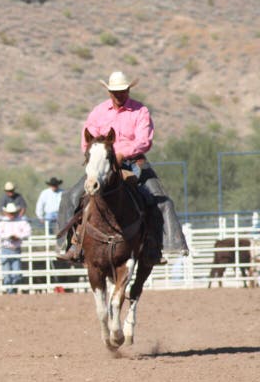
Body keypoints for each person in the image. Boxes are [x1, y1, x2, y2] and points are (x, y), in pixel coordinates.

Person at [57, 71, 189, 263]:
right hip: (103, 163)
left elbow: (144, 141)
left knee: (161, 201)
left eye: (123, 91)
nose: (120, 95)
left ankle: (166, 246)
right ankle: (69, 245)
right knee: (70, 197)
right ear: (109, 92)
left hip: (134, 161)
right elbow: (87, 141)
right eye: (116, 91)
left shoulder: (140, 111)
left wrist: (122, 154)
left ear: (128, 90)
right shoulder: (98, 112)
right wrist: (100, 155)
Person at [0, 202, 32, 294]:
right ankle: (10, 291)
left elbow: (28, 232)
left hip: (15, 249)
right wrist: (8, 236)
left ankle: (13, 289)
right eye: (10, 213)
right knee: (6, 272)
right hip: (5, 249)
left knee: (17, 273)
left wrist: (18, 236)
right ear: (6, 213)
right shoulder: (3, 222)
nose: (11, 215)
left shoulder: (21, 221)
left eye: (13, 213)